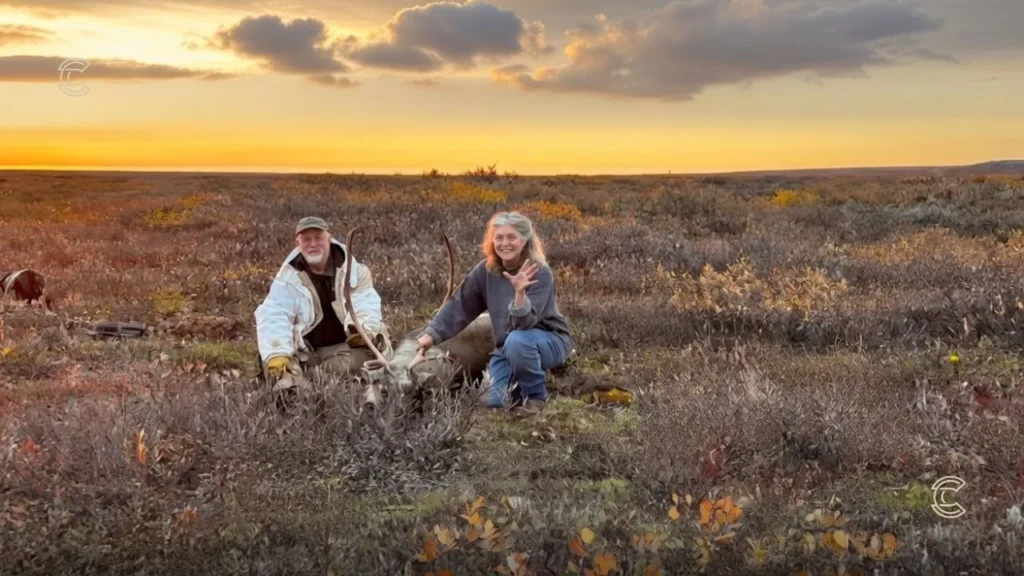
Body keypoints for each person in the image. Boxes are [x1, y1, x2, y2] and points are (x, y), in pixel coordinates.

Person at [415, 211, 573, 412]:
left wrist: (520, 293)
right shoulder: (486, 271)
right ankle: (521, 382)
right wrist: (431, 335)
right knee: (497, 402)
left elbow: (525, 324)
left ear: (524, 240)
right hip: (507, 348)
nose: (504, 243)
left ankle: (536, 397)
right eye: (499, 238)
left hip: (548, 341)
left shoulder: (539, 272)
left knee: (518, 341)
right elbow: (460, 305)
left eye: (511, 237)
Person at [255, 216, 387, 388]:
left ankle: (304, 383)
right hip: (307, 351)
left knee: (367, 357)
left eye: (318, 238)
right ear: (298, 243)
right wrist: (277, 352)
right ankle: (300, 384)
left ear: (329, 239)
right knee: (272, 360)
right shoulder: (286, 279)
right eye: (306, 239)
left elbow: (365, 302)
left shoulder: (356, 272)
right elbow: (275, 314)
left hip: (346, 349)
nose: (312, 244)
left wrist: (362, 329)